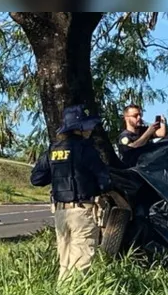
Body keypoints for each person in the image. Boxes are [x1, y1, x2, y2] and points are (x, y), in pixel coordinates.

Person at [30, 104, 112, 280]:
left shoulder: (53, 149)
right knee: (81, 261)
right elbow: (105, 181)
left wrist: (59, 173)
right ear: (80, 128)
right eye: (88, 125)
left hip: (61, 213)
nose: (91, 129)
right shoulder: (86, 149)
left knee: (65, 262)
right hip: (82, 212)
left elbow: (36, 179)